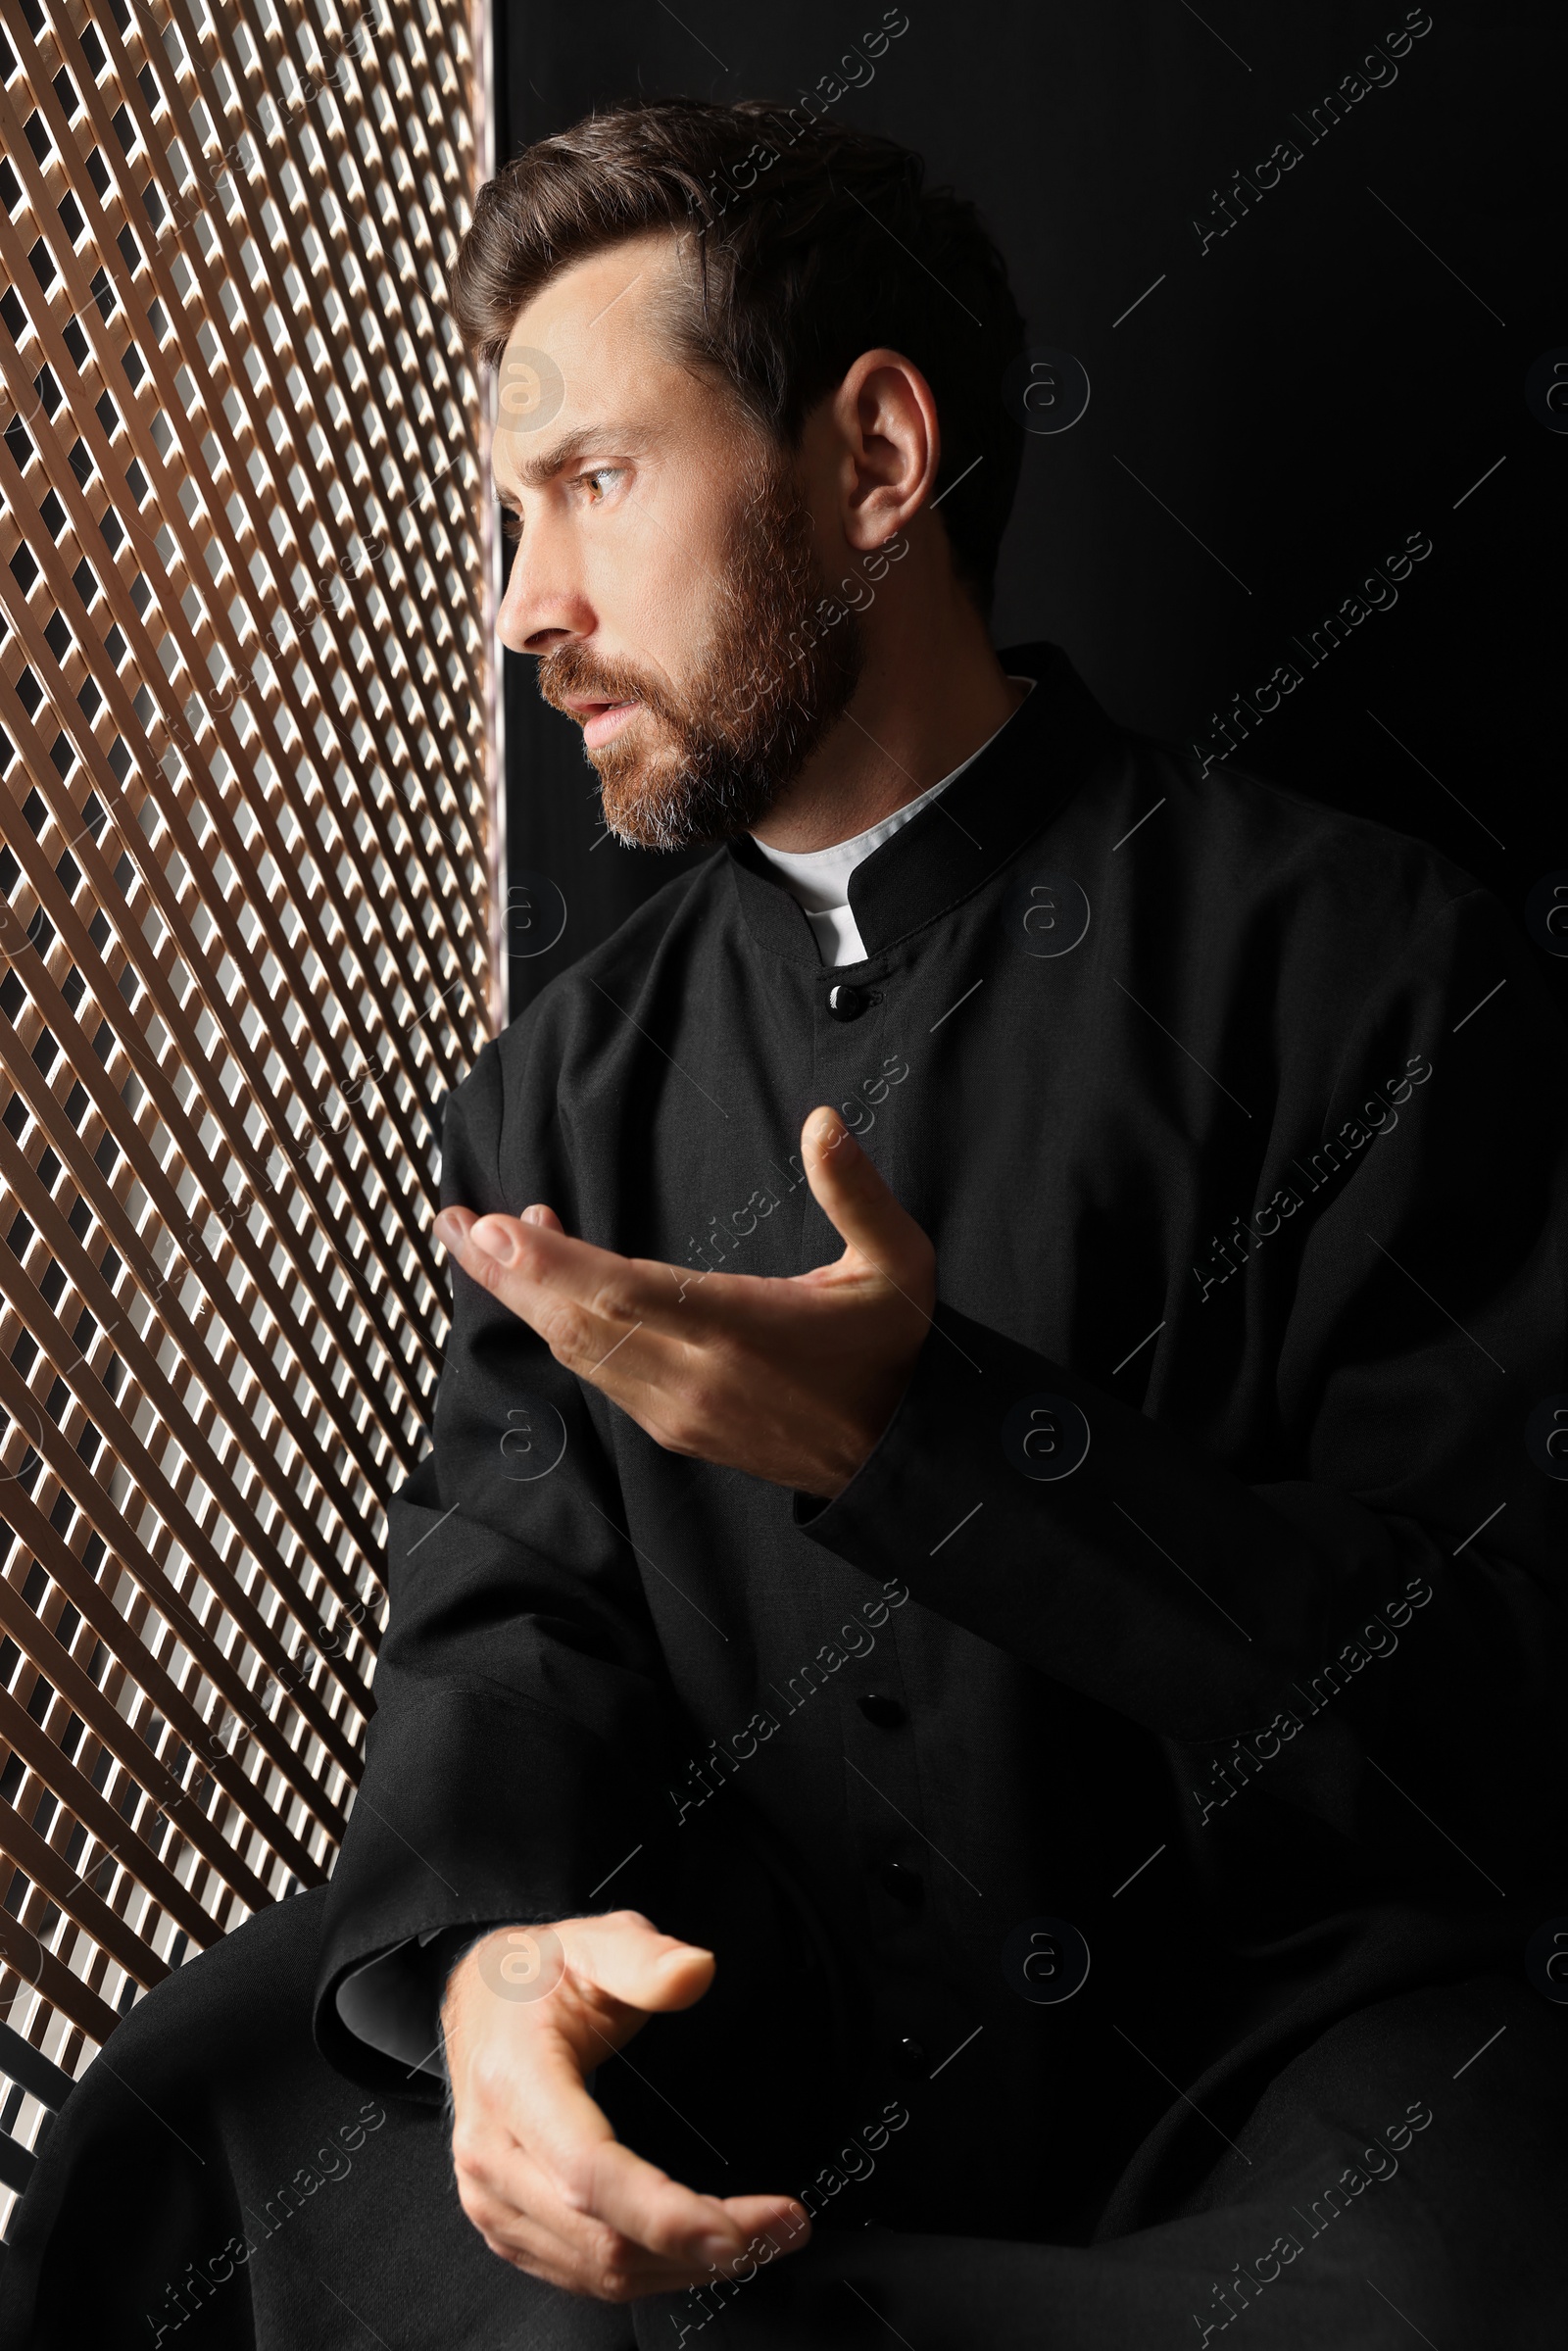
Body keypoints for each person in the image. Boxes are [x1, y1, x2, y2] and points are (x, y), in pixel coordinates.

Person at [7, 96, 1568, 2351]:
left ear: (871, 461)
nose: (524, 610)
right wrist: (485, 1965)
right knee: (197, 2116)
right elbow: (509, 1628)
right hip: (756, 1996)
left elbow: (1498, 1713)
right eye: (505, 521)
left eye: (595, 489)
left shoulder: (1378, 972)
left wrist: (933, 1444)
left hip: (1273, 2050)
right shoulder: (563, 1080)